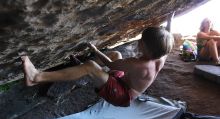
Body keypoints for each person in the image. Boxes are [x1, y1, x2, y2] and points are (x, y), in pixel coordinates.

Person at [21, 25, 174, 107]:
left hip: (121, 95)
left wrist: (95, 49)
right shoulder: (160, 56)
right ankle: (80, 72)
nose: (139, 41)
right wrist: (169, 20)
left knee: (91, 66)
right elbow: (166, 36)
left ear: (145, 46)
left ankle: (36, 77)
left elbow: (110, 64)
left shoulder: (137, 65)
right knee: (116, 54)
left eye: (142, 40)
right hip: (124, 82)